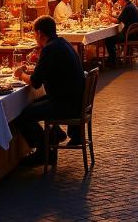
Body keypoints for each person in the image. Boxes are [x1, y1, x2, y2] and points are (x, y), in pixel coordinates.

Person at [13, 16, 85, 165]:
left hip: (65, 104)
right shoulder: (63, 43)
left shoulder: (50, 49)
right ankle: (54, 134)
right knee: (32, 102)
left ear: (39, 33)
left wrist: (21, 74)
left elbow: (35, 82)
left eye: (34, 34)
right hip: (73, 99)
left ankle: (43, 152)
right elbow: (49, 71)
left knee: (23, 115)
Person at [105, 0, 138, 65]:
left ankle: (112, 60)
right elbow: (120, 18)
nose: (118, 2)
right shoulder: (131, 5)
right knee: (112, 36)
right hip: (134, 33)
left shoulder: (127, 8)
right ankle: (113, 58)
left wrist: (107, 17)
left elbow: (118, 21)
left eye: (119, 0)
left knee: (108, 39)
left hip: (130, 35)